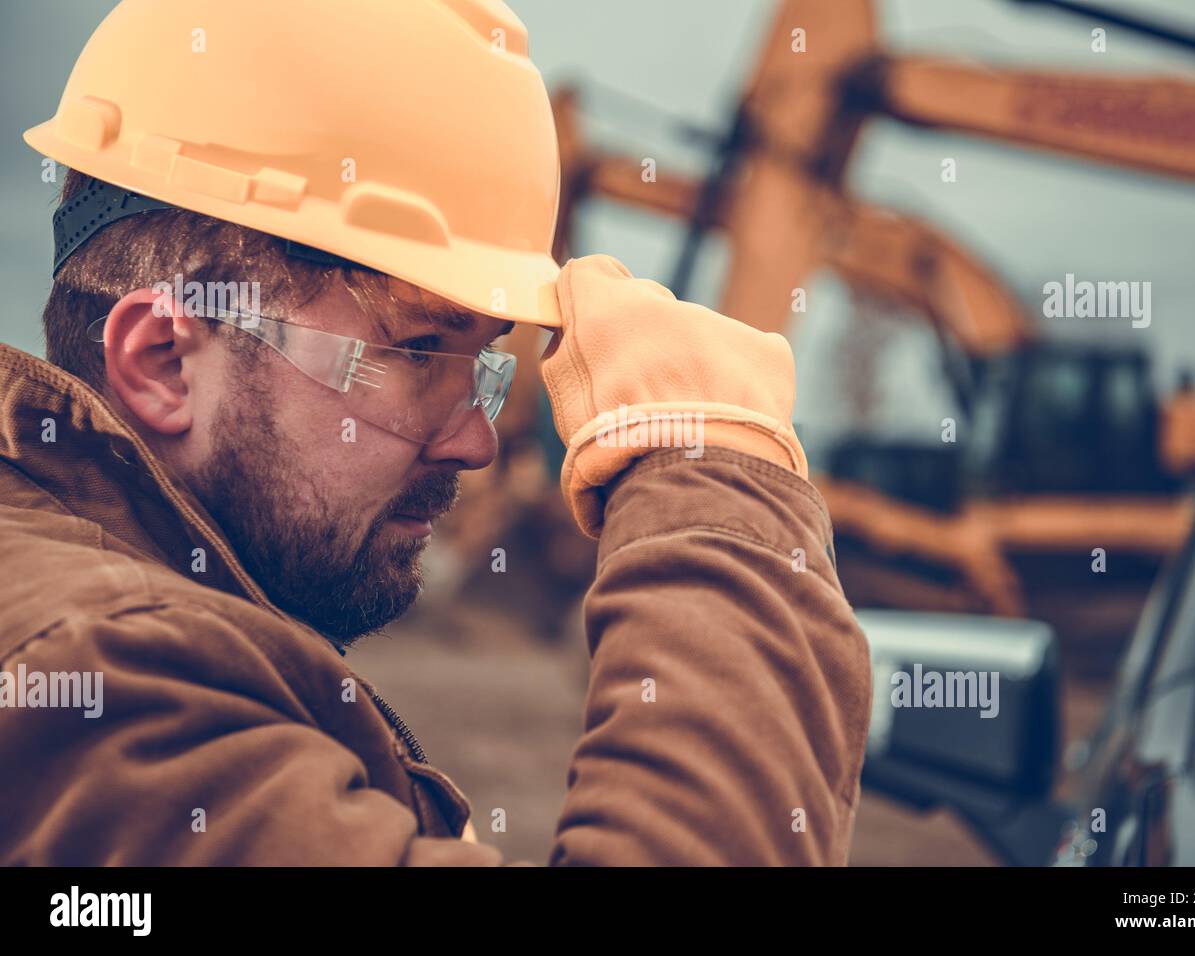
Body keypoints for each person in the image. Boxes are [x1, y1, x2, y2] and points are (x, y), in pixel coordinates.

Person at [0, 0, 871, 865]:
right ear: (163, 362)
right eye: (414, 353)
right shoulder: (102, 684)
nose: (475, 444)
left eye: (482, 366)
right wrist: (715, 477)